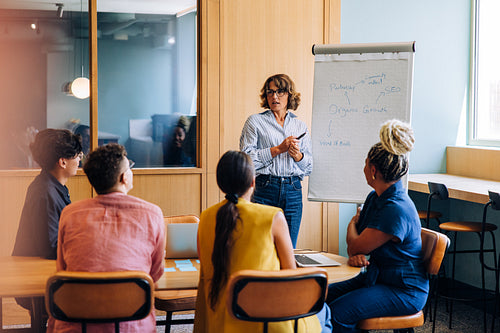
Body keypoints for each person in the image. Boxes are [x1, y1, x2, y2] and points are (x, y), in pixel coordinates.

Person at [194, 150, 331, 333]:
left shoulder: (205, 218)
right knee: (326, 312)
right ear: (253, 181)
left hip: (220, 323)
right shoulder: (272, 216)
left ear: (221, 184)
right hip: (268, 323)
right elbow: (291, 275)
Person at [47, 143, 165, 333]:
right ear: (124, 177)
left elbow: (63, 270)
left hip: (76, 323)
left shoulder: (70, 214)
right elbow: (155, 273)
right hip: (132, 322)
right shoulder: (152, 214)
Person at [326, 120, 428, 332]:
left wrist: (353, 224)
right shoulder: (376, 197)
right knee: (319, 295)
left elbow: (355, 245)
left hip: (404, 290)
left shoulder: (395, 208)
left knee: (338, 312)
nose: (363, 167)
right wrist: (358, 247)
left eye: (365, 163)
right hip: (378, 277)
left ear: (373, 171)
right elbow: (357, 244)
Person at [240, 74, 312, 248]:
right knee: (261, 247)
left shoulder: (300, 126)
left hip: (293, 190)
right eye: (270, 92)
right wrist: (278, 149)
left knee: (289, 248)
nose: (274, 97)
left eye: (280, 92)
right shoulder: (255, 122)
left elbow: (309, 166)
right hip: (265, 188)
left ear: (289, 95)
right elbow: (246, 161)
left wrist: (298, 156)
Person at [12, 128, 83, 259]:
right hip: (35, 269)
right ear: (63, 162)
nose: (79, 160)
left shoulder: (52, 185)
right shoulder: (45, 192)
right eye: (78, 155)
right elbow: (51, 248)